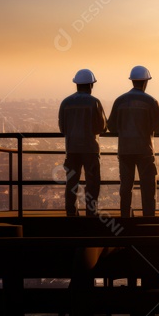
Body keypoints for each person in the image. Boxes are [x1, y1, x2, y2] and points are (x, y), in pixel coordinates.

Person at [108, 65, 159, 218]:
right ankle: (148, 219)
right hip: (145, 151)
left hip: (125, 150)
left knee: (126, 188)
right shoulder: (150, 101)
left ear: (132, 81)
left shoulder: (119, 101)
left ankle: (125, 219)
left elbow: (111, 126)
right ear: (146, 82)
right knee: (148, 188)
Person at [58, 69, 107, 217]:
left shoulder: (65, 103)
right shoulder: (94, 102)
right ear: (91, 85)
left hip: (72, 149)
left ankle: (71, 211)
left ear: (77, 84)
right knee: (92, 182)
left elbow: (62, 128)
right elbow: (102, 127)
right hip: (90, 149)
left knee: (72, 181)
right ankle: (91, 212)